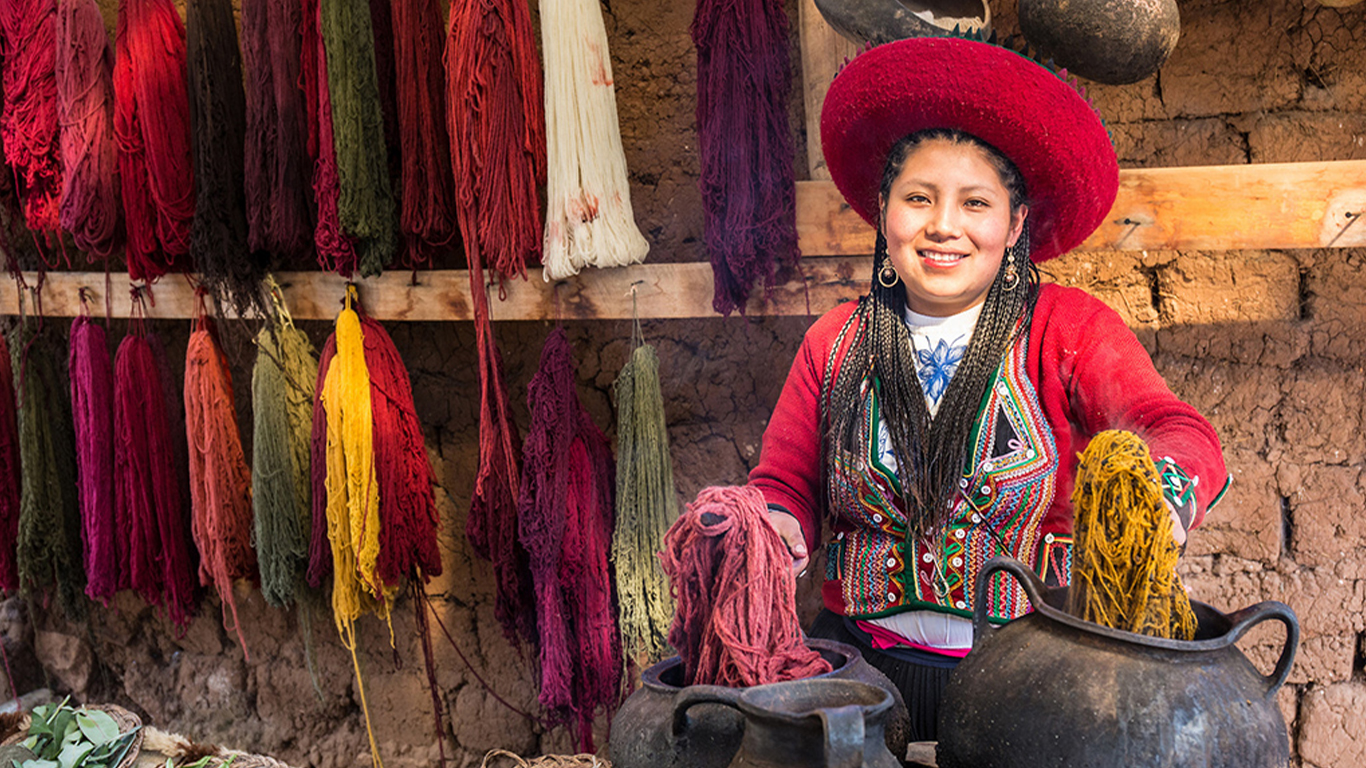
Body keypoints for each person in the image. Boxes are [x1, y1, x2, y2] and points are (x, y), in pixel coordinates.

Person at [748, 36, 1230, 742]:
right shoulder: (835, 342)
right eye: (918, 198)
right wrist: (774, 527)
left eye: (976, 203)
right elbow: (783, 482)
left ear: (1015, 222)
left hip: (1031, 682)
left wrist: (1160, 492)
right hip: (856, 675)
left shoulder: (1066, 330)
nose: (943, 225)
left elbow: (1175, 428)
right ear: (885, 211)